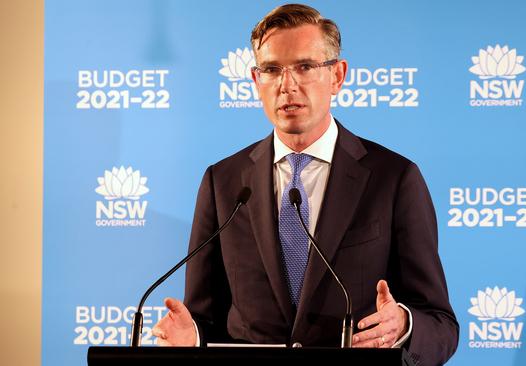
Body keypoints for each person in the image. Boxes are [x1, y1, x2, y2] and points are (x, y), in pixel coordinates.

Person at [152, 4, 458, 365]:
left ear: (338, 76)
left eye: (305, 67)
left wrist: (404, 324)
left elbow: (440, 325)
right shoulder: (223, 182)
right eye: (272, 69)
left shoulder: (394, 178)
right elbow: (204, 317)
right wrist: (193, 336)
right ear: (255, 80)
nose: (287, 85)